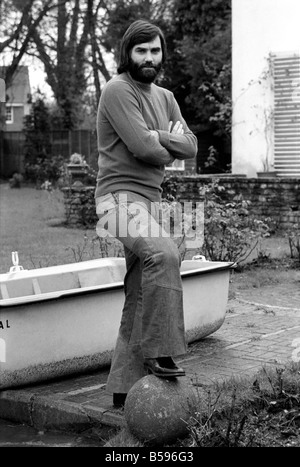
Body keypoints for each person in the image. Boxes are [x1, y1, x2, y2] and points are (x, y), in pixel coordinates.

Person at [95, 19, 198, 408]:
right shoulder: (118, 90)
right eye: (141, 50)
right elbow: (144, 148)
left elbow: (190, 147)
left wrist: (162, 138)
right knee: (164, 253)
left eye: (155, 50)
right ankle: (160, 350)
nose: (149, 58)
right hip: (116, 201)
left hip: (149, 202)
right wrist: (160, 141)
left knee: (139, 293)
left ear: (162, 53)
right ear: (128, 53)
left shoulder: (167, 97)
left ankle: (122, 391)